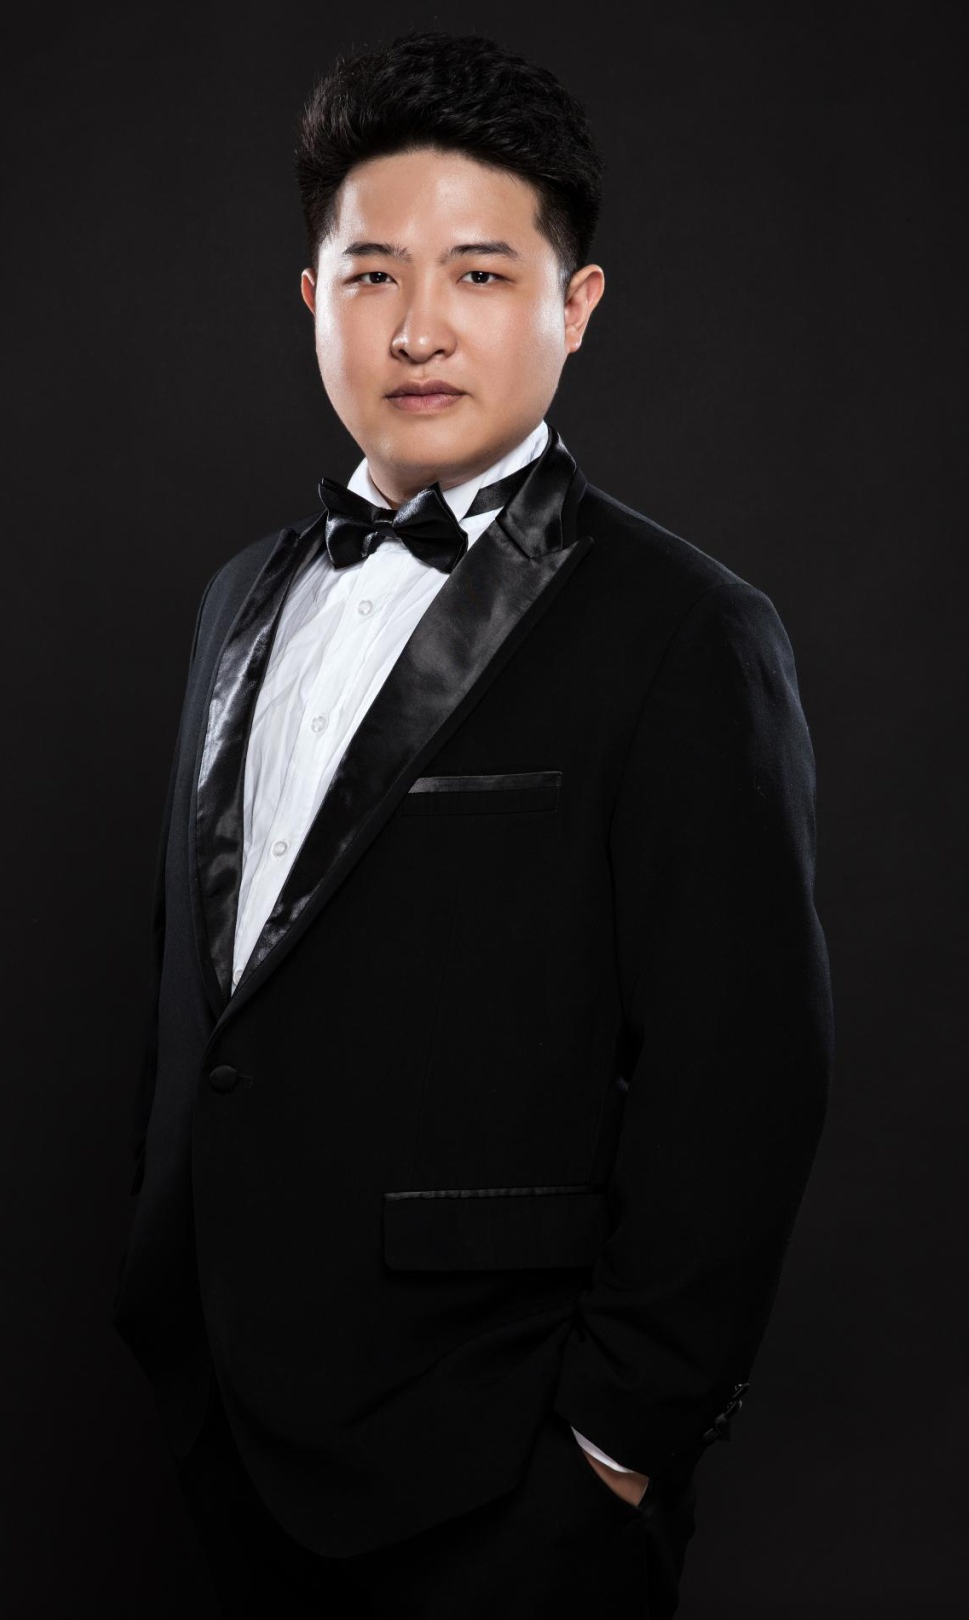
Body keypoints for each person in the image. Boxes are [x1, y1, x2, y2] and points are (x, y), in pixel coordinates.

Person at [110, 28, 833, 1619]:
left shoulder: (687, 632)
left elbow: (747, 1076)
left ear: (576, 306)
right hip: (224, 1427)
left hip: (502, 1473)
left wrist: (615, 1450)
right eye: (372, 274)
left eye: (482, 275)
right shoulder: (238, 601)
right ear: (313, 296)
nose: (417, 327)